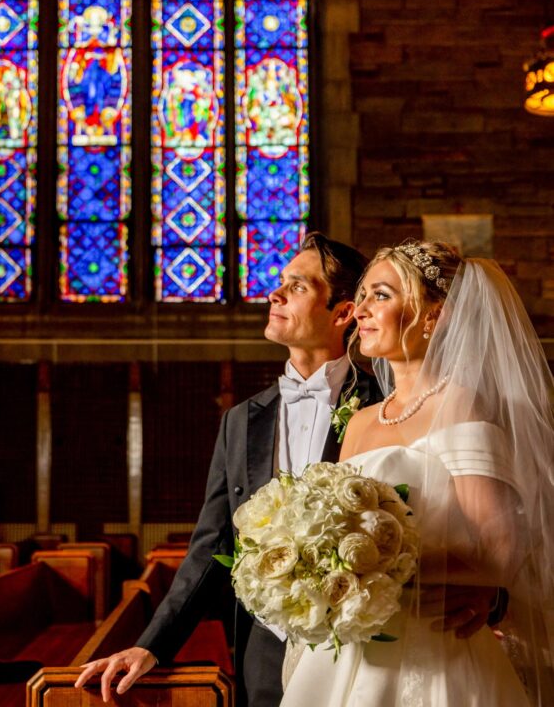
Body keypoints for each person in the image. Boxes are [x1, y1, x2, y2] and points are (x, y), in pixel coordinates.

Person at [77, 234, 499, 705]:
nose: (274, 295)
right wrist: (151, 646)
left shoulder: (395, 404)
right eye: (281, 283)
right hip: (263, 653)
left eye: (297, 286)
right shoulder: (241, 421)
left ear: (342, 313)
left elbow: (471, 523)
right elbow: (213, 545)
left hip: (379, 644)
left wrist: (491, 595)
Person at [280, 241, 554, 707]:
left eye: (380, 295)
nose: (360, 310)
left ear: (434, 317)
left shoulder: (461, 405)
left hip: (432, 643)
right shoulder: (360, 420)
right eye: (361, 296)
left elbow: (500, 548)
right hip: (350, 644)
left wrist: (374, 572)